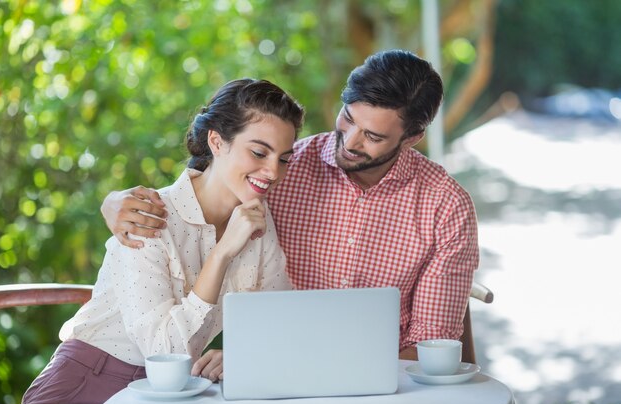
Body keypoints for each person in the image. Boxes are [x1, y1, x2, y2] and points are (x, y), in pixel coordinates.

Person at [101, 49, 479, 365]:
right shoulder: (282, 167)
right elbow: (201, 196)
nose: (349, 140)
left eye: (373, 136)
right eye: (348, 117)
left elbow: (433, 351)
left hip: (384, 377)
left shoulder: (445, 208)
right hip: (275, 369)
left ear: (412, 137)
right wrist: (115, 203)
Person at [19, 78, 304, 404]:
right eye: (259, 152)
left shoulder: (257, 218)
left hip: (173, 398)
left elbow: (274, 319)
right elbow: (166, 351)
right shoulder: (147, 216)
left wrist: (242, 354)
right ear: (216, 141)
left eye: (284, 159)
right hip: (82, 389)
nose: (273, 171)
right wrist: (223, 252)